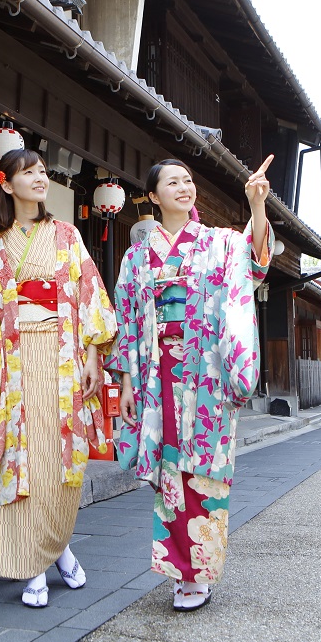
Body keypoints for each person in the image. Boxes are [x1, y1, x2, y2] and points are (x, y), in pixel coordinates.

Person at [110, 156, 274, 612]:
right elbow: (125, 320)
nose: (184, 187)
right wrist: (125, 384)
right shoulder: (137, 255)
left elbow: (254, 266)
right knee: (169, 473)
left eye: (188, 180)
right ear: (153, 195)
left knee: (202, 472)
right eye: (172, 182)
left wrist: (256, 206)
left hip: (206, 371)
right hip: (156, 370)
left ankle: (197, 573)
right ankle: (178, 571)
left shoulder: (218, 242)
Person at [0, 148, 116, 608]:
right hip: (13, 360)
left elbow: (89, 293)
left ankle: (55, 548)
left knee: (57, 458)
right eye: (29, 173)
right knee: (20, 461)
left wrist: (90, 353)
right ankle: (38, 565)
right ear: (7, 184)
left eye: (43, 171)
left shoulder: (65, 235)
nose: (40, 178)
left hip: (61, 356)